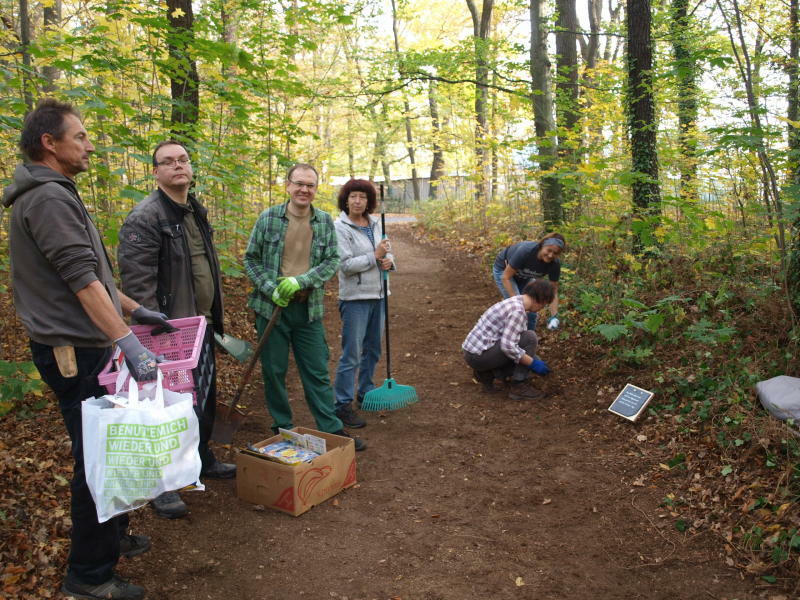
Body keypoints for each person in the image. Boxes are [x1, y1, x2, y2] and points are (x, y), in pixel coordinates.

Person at [2, 99, 166, 600]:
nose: (90, 144)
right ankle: (89, 575)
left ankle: (111, 537)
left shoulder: (54, 192)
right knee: (97, 458)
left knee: (109, 449)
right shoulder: (48, 199)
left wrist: (135, 310)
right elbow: (79, 281)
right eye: (81, 136)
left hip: (89, 341)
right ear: (49, 143)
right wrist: (126, 340)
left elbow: (93, 273)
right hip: (74, 350)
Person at [117, 140, 236, 519]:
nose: (177, 166)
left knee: (202, 398)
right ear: (155, 172)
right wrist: (152, 334)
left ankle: (201, 459)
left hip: (201, 324)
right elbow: (137, 285)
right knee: (164, 407)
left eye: (182, 160)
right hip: (168, 331)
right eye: (167, 162)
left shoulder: (194, 210)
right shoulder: (145, 217)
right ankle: (163, 484)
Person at [244, 163, 366, 451]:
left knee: (316, 369)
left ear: (315, 189)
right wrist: (272, 288)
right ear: (288, 186)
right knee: (274, 371)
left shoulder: (323, 221)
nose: (304, 189)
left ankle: (332, 428)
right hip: (270, 307)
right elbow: (251, 260)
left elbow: (331, 261)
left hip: (307, 308)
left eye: (310, 185)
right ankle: (282, 428)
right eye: (299, 183)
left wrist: (302, 281)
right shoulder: (268, 218)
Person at [332, 179, 394, 428]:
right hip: (355, 298)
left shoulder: (376, 223)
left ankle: (365, 392)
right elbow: (345, 266)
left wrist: (389, 261)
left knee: (373, 349)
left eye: (363, 197)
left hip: (379, 294)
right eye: (353, 197)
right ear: (346, 200)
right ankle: (342, 404)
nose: (358, 201)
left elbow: (387, 250)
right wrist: (375, 256)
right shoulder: (340, 227)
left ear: (369, 201)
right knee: (352, 354)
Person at [462, 279, 556, 401]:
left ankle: (486, 373)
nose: (542, 308)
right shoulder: (518, 312)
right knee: (530, 338)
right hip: (479, 357)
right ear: (541, 300)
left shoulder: (515, 301)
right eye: (544, 305)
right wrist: (533, 363)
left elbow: (514, 339)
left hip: (474, 353)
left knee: (528, 356)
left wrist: (531, 360)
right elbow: (508, 347)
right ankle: (518, 386)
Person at [492, 233, 566, 331]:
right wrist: (518, 304)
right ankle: (508, 338)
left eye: (555, 253)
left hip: (525, 277)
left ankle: (529, 340)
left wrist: (554, 316)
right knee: (519, 309)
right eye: (549, 250)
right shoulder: (526, 251)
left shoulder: (554, 264)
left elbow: (553, 290)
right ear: (542, 245)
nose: (550, 255)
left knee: (532, 309)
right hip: (504, 271)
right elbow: (505, 277)